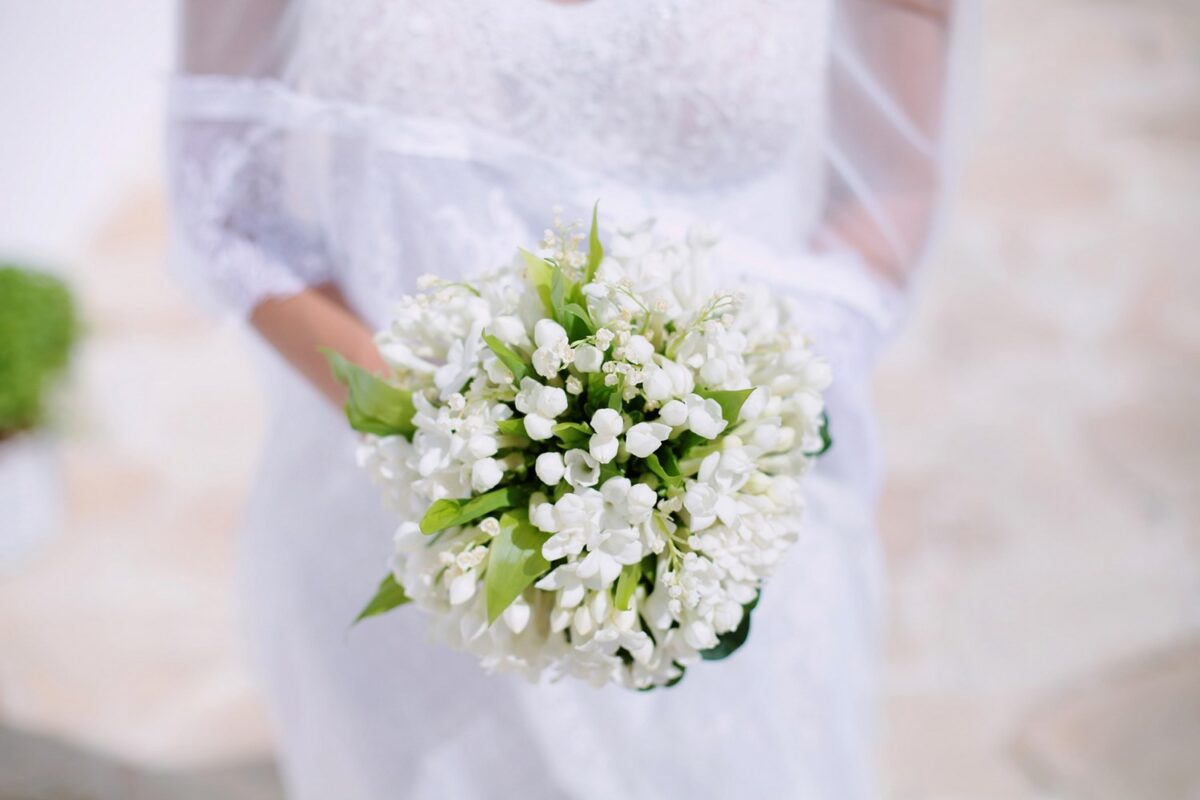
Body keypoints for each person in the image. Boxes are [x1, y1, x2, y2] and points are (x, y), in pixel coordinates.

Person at [167, 1, 971, 797]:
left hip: (716, 531)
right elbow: (229, 205)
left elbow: (890, 189)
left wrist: (732, 422)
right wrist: (453, 443)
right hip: (403, 527)